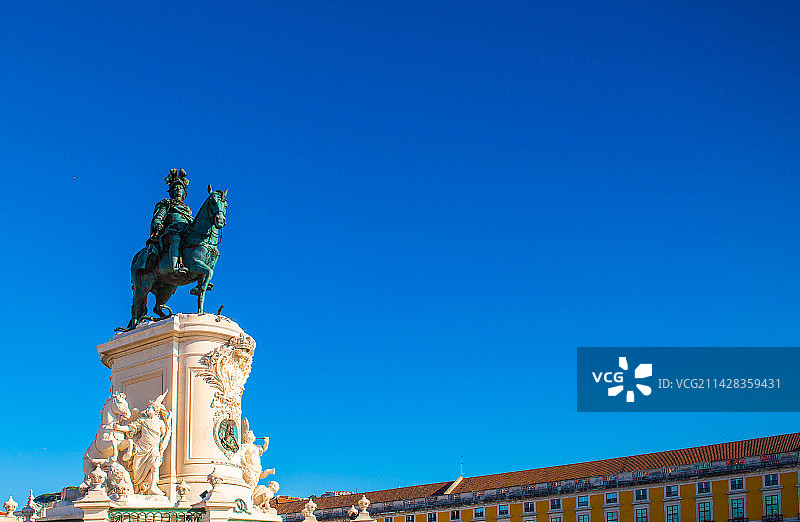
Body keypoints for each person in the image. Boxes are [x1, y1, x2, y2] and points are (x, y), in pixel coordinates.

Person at [150, 169, 193, 277]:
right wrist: (157, 221)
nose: (178, 190)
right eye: (175, 188)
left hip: (186, 230)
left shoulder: (187, 209)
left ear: (184, 192)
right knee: (176, 239)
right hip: (172, 231)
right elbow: (160, 214)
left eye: (180, 188)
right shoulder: (167, 203)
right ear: (171, 191)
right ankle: (174, 268)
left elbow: (191, 220)